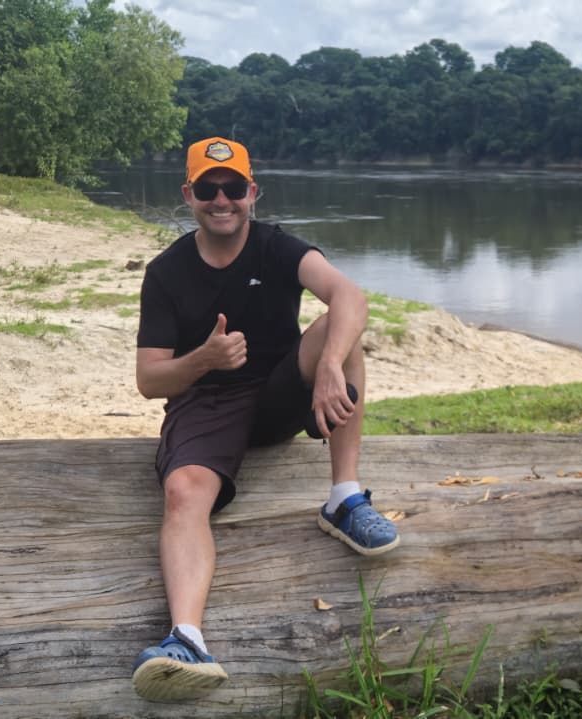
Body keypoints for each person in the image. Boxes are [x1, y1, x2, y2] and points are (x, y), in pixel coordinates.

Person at [129, 136, 399, 702]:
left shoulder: (277, 247)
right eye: (208, 188)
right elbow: (150, 380)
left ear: (252, 192)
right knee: (182, 492)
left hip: (278, 393)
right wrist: (204, 359)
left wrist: (329, 364)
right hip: (205, 402)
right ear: (188, 194)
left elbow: (350, 296)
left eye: (232, 187)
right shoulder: (166, 272)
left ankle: (344, 498)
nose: (221, 199)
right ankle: (187, 639)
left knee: (342, 329)